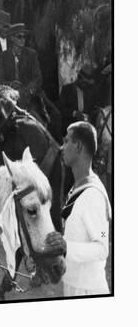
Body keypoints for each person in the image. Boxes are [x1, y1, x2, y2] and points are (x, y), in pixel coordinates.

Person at [45, 121, 111, 296]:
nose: (61, 147)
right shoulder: (76, 188)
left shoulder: (93, 195)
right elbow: (77, 235)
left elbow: (102, 247)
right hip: (73, 285)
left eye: (67, 141)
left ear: (79, 146)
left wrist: (66, 246)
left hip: (89, 290)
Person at [0, 23, 62, 141]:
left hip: (32, 95)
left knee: (55, 114)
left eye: (24, 37)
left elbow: (38, 78)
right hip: (11, 96)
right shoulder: (4, 56)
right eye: (19, 37)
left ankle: (58, 146)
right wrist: (11, 85)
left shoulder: (31, 54)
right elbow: (0, 79)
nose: (23, 40)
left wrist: (28, 90)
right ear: (12, 38)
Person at [58, 66, 99, 132]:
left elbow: (93, 109)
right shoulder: (67, 89)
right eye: (84, 82)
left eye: (87, 84)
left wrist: (88, 117)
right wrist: (74, 113)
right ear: (79, 78)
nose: (86, 85)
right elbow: (60, 109)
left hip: (85, 129)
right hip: (68, 128)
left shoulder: (90, 92)